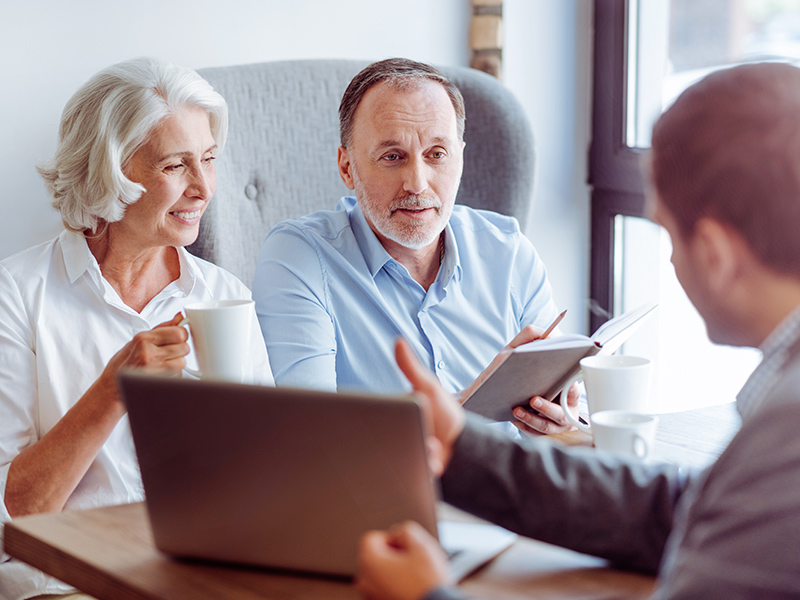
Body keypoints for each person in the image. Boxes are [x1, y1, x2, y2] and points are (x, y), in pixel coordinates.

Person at [355, 62, 800, 599]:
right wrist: (464, 448)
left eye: (666, 233)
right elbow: (687, 510)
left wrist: (427, 596)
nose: (673, 262)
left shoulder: (786, 434)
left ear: (715, 254)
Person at [0, 57, 273, 600]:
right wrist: (113, 389)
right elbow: (17, 511)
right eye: (176, 166)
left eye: (210, 160)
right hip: (68, 582)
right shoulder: (16, 294)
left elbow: (266, 481)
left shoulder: (225, 297)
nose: (203, 188)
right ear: (112, 172)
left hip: (201, 574)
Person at [253, 58, 578, 435]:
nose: (417, 184)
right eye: (392, 157)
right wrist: (477, 402)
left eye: (436, 154)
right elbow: (310, 433)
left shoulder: (508, 251)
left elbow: (568, 417)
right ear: (347, 168)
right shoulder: (299, 257)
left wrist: (560, 416)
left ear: (460, 159)